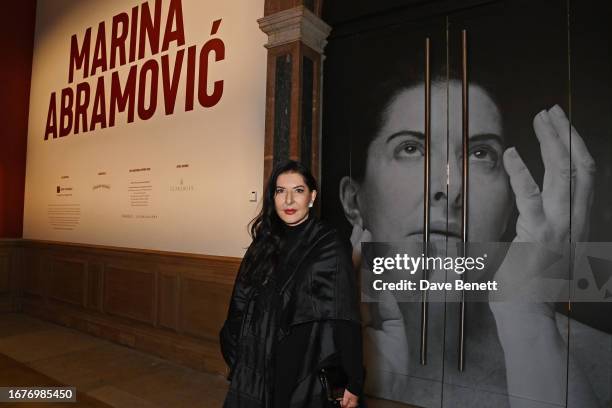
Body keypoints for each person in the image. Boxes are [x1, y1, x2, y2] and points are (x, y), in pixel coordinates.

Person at [338, 76, 607, 407]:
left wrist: (529, 317)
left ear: (511, 206)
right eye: (411, 149)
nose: (449, 190)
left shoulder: (600, 365)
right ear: (354, 201)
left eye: (481, 153)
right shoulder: (311, 345)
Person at [220, 160, 365, 408]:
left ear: (312, 196)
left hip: (305, 361)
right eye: (280, 191)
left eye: (298, 190)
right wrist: (237, 351)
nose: (288, 200)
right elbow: (240, 301)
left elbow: (343, 315)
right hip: (259, 359)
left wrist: (354, 378)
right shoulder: (264, 243)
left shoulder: (329, 244)